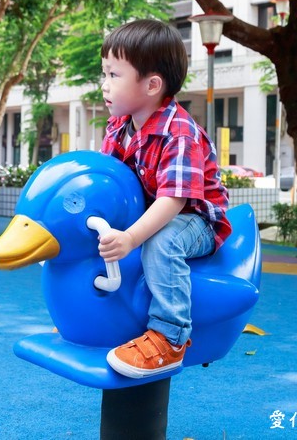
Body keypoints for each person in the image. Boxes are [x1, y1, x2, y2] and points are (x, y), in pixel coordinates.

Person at [97, 19, 231, 378]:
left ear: (152, 85)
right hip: (152, 210)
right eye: (104, 73)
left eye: (114, 75)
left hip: (197, 219)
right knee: (102, 233)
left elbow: (172, 202)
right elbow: (110, 182)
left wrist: (131, 237)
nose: (104, 85)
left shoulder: (179, 132)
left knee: (161, 238)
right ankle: (96, 315)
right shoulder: (118, 127)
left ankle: (170, 337)